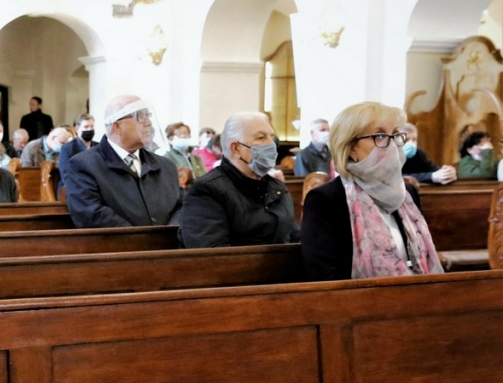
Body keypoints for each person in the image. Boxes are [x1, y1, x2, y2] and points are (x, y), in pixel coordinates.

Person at [301, 102, 442, 281]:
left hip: (419, 292)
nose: (393, 144)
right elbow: (324, 275)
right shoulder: (325, 200)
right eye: (380, 135)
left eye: (396, 135)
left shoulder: (407, 194)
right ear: (350, 148)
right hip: (359, 297)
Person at [180, 112, 299, 248]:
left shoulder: (276, 188)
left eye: (272, 137)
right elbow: (211, 254)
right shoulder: (208, 190)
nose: (271, 144)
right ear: (236, 148)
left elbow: (294, 237)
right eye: (261, 137)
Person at [64, 94, 182, 228]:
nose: (149, 122)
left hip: (169, 241)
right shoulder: (85, 165)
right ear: (117, 126)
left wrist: (169, 233)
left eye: (148, 115)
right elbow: (91, 214)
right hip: (120, 241)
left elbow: (182, 206)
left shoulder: (166, 166)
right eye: (140, 116)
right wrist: (142, 238)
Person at [57, 114, 97, 189]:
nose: (89, 129)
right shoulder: (67, 149)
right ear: (77, 129)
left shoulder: (99, 147)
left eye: (92, 126)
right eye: (86, 127)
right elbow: (66, 175)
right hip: (75, 188)